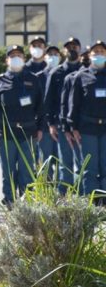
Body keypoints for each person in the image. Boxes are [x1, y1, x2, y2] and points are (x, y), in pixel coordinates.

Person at [0, 45, 44, 208]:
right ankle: (10, 200)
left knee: (27, 171)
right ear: (7, 60)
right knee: (8, 170)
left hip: (28, 131)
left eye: (19, 55)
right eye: (12, 56)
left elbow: (40, 107)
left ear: (24, 59)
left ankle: (26, 202)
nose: (16, 58)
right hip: (6, 132)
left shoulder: (33, 79)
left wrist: (40, 128)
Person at [68, 40, 106, 200]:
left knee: (105, 167)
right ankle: (92, 204)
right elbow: (74, 103)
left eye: (102, 52)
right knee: (89, 169)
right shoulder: (81, 76)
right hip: (87, 128)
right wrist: (73, 127)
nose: (99, 55)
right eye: (95, 52)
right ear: (89, 56)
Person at [45, 37, 83, 192]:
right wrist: (51, 124)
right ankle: (64, 199)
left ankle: (82, 198)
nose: (72, 49)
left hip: (82, 125)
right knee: (65, 164)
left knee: (82, 164)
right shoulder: (56, 73)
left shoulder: (85, 71)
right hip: (61, 125)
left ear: (79, 49)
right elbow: (49, 101)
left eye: (75, 46)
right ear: (64, 51)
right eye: (68, 47)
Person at [36, 45, 60, 176]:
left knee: (62, 161)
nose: (53, 57)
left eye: (56, 54)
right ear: (44, 57)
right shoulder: (38, 77)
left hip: (60, 123)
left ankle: (62, 192)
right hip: (44, 125)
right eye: (50, 54)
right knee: (45, 160)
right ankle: (47, 190)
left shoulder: (64, 75)